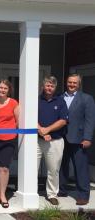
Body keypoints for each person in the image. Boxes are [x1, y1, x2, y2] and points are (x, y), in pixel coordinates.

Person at [59, 73, 95, 205]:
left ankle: (83, 195)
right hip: (61, 138)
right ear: (66, 83)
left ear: (79, 84)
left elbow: (90, 121)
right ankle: (61, 190)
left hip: (79, 139)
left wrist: (87, 138)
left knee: (80, 168)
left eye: (74, 83)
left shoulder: (87, 99)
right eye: (69, 82)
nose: (71, 85)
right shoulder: (60, 97)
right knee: (61, 166)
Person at [37, 75, 68, 206]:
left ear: (55, 88)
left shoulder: (60, 101)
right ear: (43, 86)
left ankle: (52, 194)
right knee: (32, 168)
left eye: (52, 86)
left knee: (53, 169)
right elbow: (30, 116)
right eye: (47, 85)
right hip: (36, 140)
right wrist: (41, 131)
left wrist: (47, 130)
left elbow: (63, 121)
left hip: (55, 141)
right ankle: (31, 192)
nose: (49, 88)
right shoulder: (36, 99)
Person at [0, 79, 19, 208]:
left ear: (9, 90)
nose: (2, 90)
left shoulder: (13, 103)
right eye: (0, 88)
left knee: (4, 168)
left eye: (5, 88)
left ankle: (3, 194)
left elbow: (18, 122)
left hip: (8, 139)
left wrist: (12, 132)